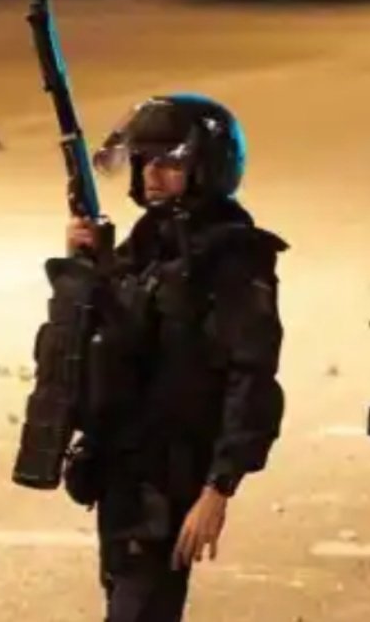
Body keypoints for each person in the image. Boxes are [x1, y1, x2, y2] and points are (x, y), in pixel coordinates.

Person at [56, 95, 288, 621]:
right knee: (123, 594)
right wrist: (83, 261)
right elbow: (104, 336)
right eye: (144, 161)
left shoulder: (234, 255)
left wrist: (218, 488)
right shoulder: (146, 241)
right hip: (120, 465)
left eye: (170, 162)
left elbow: (251, 375)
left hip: (170, 474)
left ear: (207, 167)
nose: (152, 173)